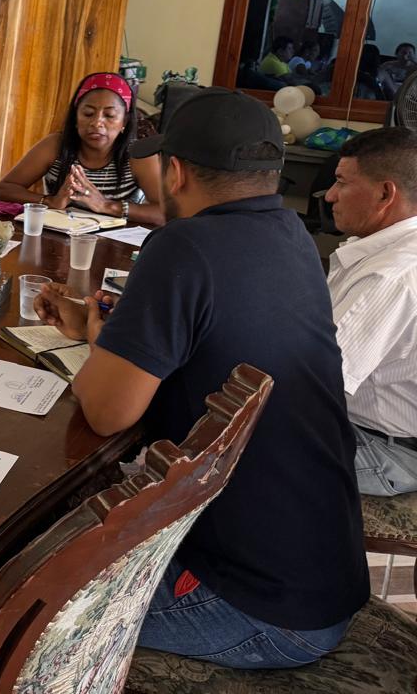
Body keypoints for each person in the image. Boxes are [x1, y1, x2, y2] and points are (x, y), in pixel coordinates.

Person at [34, 88, 367, 670]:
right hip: (320, 573)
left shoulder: (182, 244)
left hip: (254, 605)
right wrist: (100, 329)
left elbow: (107, 412)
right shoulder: (293, 236)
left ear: (177, 172)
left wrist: (101, 343)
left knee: (4, 613)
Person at [323, 127, 417, 496]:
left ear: (384, 194)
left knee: (230, 458)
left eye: (342, 182)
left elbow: (316, 382)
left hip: (386, 450)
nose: (330, 195)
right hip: (379, 433)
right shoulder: (391, 251)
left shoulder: (390, 275)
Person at [0, 72, 163, 226]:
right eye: (88, 113)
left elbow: (165, 213)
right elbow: (4, 190)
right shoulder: (55, 146)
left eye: (109, 115)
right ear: (75, 117)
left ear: (124, 122)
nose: (97, 123)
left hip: (118, 244)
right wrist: (50, 202)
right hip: (57, 240)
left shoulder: (138, 155)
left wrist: (106, 205)